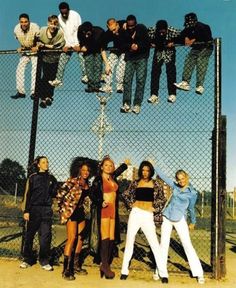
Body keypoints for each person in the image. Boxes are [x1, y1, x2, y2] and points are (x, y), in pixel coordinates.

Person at [120, 160, 168, 283]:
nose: (145, 172)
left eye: (147, 170)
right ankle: (124, 271)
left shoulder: (155, 184)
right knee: (130, 240)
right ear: (141, 171)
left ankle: (163, 273)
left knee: (154, 243)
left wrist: (154, 208)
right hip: (135, 213)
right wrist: (131, 204)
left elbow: (162, 199)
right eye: (143, 170)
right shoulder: (135, 183)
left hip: (147, 215)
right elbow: (125, 194)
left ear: (151, 171)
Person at [155, 166, 205, 284]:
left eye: (183, 178)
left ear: (186, 177)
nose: (181, 181)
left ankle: (199, 273)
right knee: (163, 245)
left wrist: (193, 222)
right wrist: (154, 166)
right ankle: (159, 271)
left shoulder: (192, 193)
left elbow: (191, 209)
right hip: (167, 217)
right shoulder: (175, 186)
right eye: (178, 179)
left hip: (179, 219)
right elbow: (164, 177)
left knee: (187, 245)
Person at [90, 156, 127, 279]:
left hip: (113, 211)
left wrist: (125, 165)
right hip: (104, 210)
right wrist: (100, 201)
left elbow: (117, 172)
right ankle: (104, 265)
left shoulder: (112, 177)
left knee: (111, 238)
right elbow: (92, 194)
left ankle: (105, 264)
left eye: (111, 165)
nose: (109, 167)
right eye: (106, 165)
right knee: (105, 237)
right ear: (101, 167)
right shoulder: (98, 179)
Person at [20, 156, 57, 271]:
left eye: (47, 162)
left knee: (45, 236)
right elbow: (27, 195)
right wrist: (26, 211)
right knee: (29, 235)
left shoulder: (52, 178)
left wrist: (54, 189)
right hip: (34, 210)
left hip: (46, 210)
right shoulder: (32, 178)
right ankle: (27, 259)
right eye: (43, 162)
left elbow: (54, 194)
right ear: (38, 165)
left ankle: (44, 260)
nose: (46, 164)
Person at [57, 158, 92, 280]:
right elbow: (60, 194)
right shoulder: (72, 181)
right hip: (71, 212)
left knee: (81, 238)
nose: (86, 172)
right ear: (79, 170)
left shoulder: (88, 184)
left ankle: (76, 265)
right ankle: (66, 270)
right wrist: (63, 210)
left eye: (88, 170)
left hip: (81, 212)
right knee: (72, 238)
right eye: (83, 170)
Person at [49, 2, 86, 87]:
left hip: (78, 42)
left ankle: (85, 76)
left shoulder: (75, 15)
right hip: (67, 44)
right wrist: (65, 44)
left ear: (68, 10)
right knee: (62, 58)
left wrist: (77, 44)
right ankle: (58, 80)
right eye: (63, 13)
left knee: (82, 57)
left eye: (66, 12)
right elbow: (62, 32)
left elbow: (79, 30)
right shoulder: (59, 17)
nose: (64, 14)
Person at [174, 12, 213, 95]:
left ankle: (200, 86)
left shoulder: (203, 26)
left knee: (201, 60)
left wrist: (194, 39)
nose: (189, 24)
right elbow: (179, 36)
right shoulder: (187, 28)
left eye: (190, 22)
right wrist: (185, 38)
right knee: (189, 59)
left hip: (206, 47)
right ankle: (185, 82)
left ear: (194, 21)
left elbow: (207, 38)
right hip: (196, 48)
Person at [120, 15, 150, 114]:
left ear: (135, 23)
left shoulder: (141, 28)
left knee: (140, 80)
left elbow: (147, 41)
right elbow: (121, 44)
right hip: (130, 58)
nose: (131, 28)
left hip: (141, 57)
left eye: (132, 26)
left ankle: (137, 104)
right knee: (127, 81)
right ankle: (126, 104)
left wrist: (138, 46)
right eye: (129, 26)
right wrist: (130, 45)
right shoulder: (124, 31)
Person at [148, 20, 181, 104]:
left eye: (163, 31)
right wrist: (151, 42)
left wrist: (174, 41)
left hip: (169, 50)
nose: (162, 33)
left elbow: (182, 35)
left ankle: (172, 94)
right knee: (155, 71)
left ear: (166, 29)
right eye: (160, 31)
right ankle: (154, 95)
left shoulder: (171, 30)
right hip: (159, 50)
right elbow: (144, 35)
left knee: (170, 71)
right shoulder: (153, 31)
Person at [36, 15, 65, 108]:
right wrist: (38, 45)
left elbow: (58, 46)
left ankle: (49, 96)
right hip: (44, 58)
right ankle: (43, 98)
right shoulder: (42, 30)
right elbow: (36, 40)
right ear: (48, 23)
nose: (53, 26)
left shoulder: (60, 33)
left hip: (55, 59)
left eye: (55, 24)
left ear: (57, 24)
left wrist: (44, 45)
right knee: (44, 78)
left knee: (52, 79)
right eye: (51, 23)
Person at [11, 13, 39, 100]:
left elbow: (39, 39)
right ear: (19, 22)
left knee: (34, 70)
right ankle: (21, 92)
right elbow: (20, 38)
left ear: (29, 21)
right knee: (20, 68)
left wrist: (37, 47)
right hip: (26, 51)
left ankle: (34, 92)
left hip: (35, 51)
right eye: (21, 22)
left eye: (25, 22)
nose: (24, 24)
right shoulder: (16, 29)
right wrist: (21, 47)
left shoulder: (35, 27)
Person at [99, 18, 126, 94]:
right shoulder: (107, 34)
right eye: (111, 31)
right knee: (109, 62)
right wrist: (106, 64)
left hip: (126, 49)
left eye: (114, 29)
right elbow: (102, 49)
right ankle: (107, 86)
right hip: (116, 49)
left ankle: (120, 85)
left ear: (117, 24)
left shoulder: (124, 24)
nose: (114, 32)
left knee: (121, 65)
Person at [77, 21, 105, 93]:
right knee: (89, 66)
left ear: (91, 30)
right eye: (84, 33)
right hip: (88, 49)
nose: (86, 35)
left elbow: (102, 47)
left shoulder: (100, 32)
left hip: (98, 49)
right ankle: (91, 85)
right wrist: (81, 46)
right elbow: (81, 42)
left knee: (98, 66)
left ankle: (97, 85)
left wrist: (87, 48)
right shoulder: (80, 31)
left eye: (88, 34)